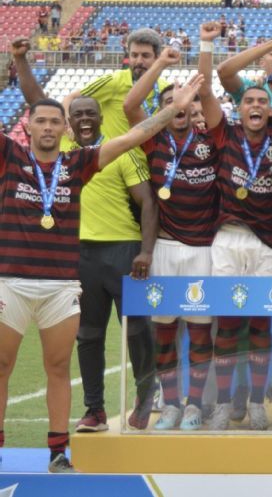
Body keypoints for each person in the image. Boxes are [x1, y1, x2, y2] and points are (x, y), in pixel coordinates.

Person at [0, 75, 203, 473]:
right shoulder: (10, 157)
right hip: (11, 282)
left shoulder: (78, 163)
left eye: (53, 122)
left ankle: (58, 452)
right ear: (28, 126)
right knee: (2, 366)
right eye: (39, 121)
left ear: (65, 129)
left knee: (58, 368)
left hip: (60, 285)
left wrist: (173, 107)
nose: (46, 127)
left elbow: (132, 137)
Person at [13, 39, 161, 434]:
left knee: (139, 330)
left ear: (98, 118)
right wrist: (22, 59)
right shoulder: (58, 149)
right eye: (75, 114)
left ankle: (146, 397)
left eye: (88, 115)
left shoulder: (117, 153)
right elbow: (35, 99)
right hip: (79, 257)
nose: (82, 120)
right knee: (89, 335)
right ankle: (94, 409)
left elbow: (148, 203)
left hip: (124, 251)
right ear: (65, 120)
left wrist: (145, 250)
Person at [198, 23, 272, 430]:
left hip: (266, 243)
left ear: (270, 109)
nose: (255, 105)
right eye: (249, 100)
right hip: (227, 238)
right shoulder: (225, 134)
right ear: (239, 107)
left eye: (263, 101)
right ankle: (222, 403)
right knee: (227, 324)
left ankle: (256, 402)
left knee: (259, 325)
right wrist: (208, 43)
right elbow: (208, 85)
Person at [125, 45, 219, 432]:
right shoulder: (154, 142)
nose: (179, 106)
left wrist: (204, 54)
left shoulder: (212, 140)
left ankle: (195, 404)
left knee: (199, 332)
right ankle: (171, 405)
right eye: (169, 102)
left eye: (184, 101)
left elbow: (210, 97)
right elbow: (132, 106)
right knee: (164, 330)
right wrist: (163, 67)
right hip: (163, 248)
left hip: (203, 251)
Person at [59, 28, 164, 140]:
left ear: (157, 58)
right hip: (115, 156)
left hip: (151, 156)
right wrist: (70, 126)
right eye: (134, 55)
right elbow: (70, 99)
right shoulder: (114, 81)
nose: (138, 61)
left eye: (145, 56)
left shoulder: (164, 89)